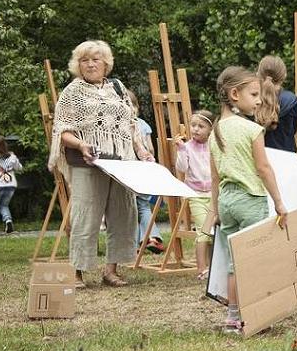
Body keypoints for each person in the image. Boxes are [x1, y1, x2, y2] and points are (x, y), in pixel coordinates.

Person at [48, 40, 155, 288]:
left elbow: (131, 126)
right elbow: (62, 131)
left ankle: (111, 271)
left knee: (122, 215)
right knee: (86, 217)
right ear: (77, 65)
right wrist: (81, 145)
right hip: (88, 163)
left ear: (106, 63)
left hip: (121, 163)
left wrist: (142, 151)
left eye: (95, 59)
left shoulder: (118, 87)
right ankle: (77, 273)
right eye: (84, 60)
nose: (90, 64)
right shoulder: (71, 93)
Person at [202, 67, 287, 335]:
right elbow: (263, 168)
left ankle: (232, 317)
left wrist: (214, 209)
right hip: (251, 200)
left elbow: (214, 177)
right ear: (234, 94)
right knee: (254, 260)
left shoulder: (215, 131)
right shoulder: (252, 129)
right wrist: (279, 202)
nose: (259, 100)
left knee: (232, 263)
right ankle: (256, 315)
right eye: (254, 94)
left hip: (227, 202)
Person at [175, 110, 215, 280]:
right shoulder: (187, 147)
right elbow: (182, 168)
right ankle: (202, 269)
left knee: (215, 232)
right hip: (196, 195)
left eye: (201, 126)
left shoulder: (215, 146)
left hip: (214, 195)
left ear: (210, 129)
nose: (196, 129)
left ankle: (214, 267)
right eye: (193, 125)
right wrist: (181, 150)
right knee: (203, 231)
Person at [125, 89, 164, 253]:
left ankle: (136, 243)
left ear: (137, 107)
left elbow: (151, 150)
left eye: (133, 105)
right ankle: (151, 237)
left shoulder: (135, 125)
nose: (131, 109)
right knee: (142, 207)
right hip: (139, 171)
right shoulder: (143, 124)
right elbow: (151, 151)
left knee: (133, 208)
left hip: (134, 172)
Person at [256, 55, 297, 153]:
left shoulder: (251, 101)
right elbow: (294, 130)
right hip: (287, 158)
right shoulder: (292, 101)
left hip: (259, 157)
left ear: (258, 75)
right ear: (284, 76)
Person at [0, 135, 22, 236]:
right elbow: (19, 168)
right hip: (10, 185)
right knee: (3, 205)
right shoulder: (12, 157)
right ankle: (8, 222)